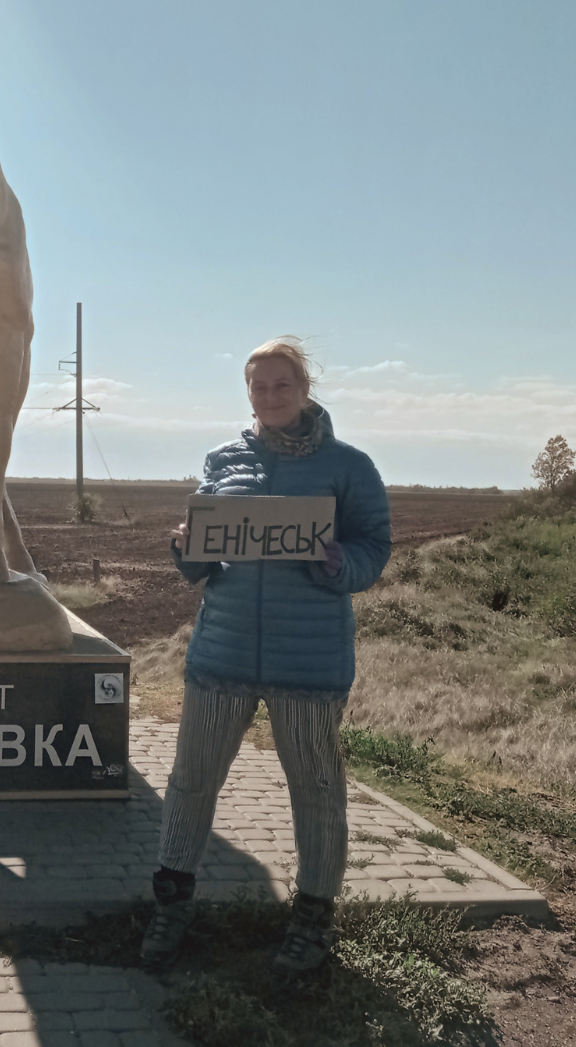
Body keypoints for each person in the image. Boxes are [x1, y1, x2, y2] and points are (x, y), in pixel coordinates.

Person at [141, 338, 391, 975]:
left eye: (283, 385)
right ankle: (171, 905)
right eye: (260, 387)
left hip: (306, 664)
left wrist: (341, 562)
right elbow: (200, 564)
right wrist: (185, 546)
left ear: (305, 390)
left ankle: (311, 921)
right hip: (220, 655)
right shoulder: (223, 461)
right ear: (247, 393)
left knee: (316, 790)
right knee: (191, 782)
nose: (271, 396)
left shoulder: (349, 467)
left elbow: (373, 550)